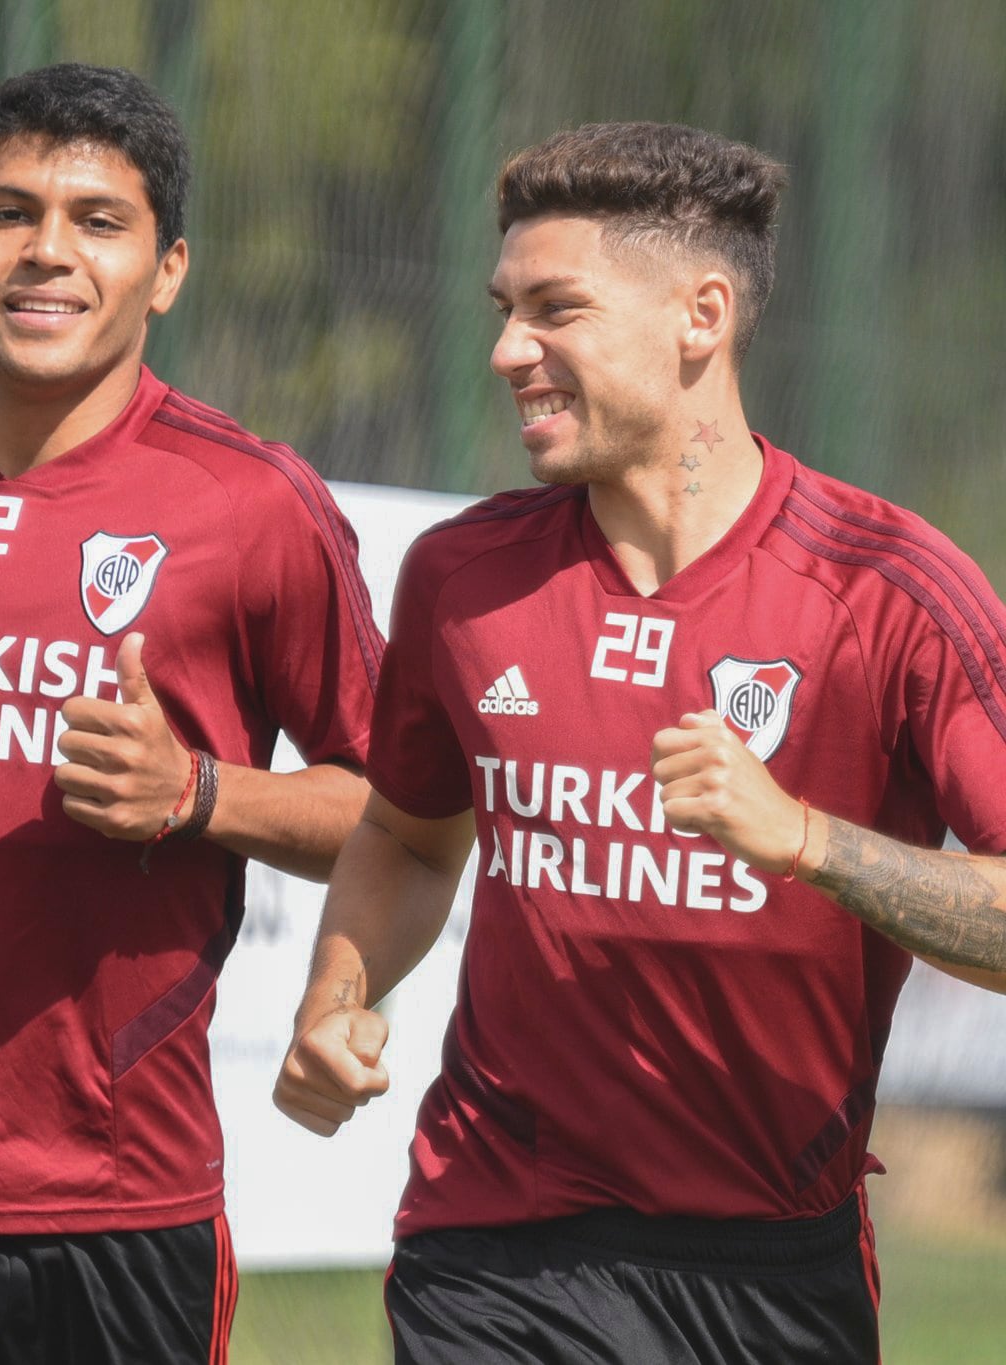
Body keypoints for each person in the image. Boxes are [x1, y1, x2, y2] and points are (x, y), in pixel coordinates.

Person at [274, 121, 1006, 1364]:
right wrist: (334, 994)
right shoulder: (460, 576)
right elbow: (403, 836)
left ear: (699, 315)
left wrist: (807, 841)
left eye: (554, 309)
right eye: (504, 309)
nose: (509, 350)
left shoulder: (890, 591)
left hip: (767, 1266)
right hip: (492, 1242)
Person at [0, 63, 380, 1365]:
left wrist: (198, 794)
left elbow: (400, 815)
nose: (47, 251)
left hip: (120, 1195)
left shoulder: (253, 505)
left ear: (169, 269)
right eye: (7, 213)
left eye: (98, 219)